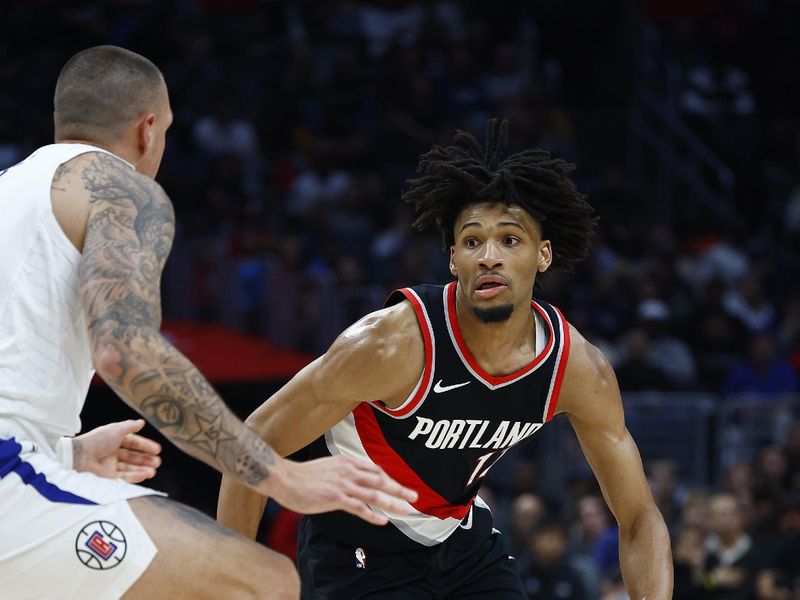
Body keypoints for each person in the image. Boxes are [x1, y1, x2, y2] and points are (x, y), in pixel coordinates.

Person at [0, 45, 417, 600]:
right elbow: (126, 352)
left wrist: (63, 453)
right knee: (260, 581)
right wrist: (277, 472)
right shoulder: (118, 186)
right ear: (149, 130)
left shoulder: (11, 191)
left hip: (26, 466)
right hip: (10, 477)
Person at [218, 118, 673, 598]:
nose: (489, 257)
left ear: (542, 256)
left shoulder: (576, 369)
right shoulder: (389, 344)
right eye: (472, 241)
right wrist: (231, 583)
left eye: (510, 240)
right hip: (355, 550)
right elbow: (250, 446)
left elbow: (640, 517)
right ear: (454, 260)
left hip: (461, 545)